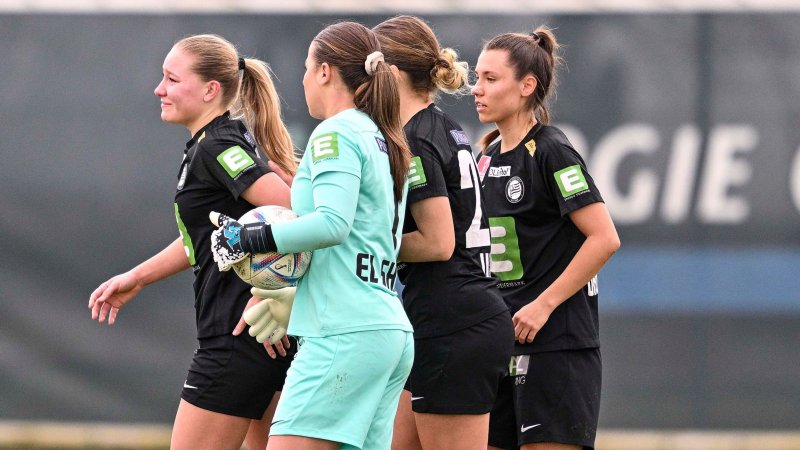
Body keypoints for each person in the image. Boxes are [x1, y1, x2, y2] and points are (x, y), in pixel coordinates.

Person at [209, 21, 415, 450]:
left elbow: (332, 225)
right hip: (386, 331)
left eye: (306, 67)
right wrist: (297, 298)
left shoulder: (337, 132)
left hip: (344, 334)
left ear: (325, 72)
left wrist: (249, 240)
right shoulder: (381, 137)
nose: (302, 78)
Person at [87, 34, 298, 450]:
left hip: (240, 337)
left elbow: (297, 214)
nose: (159, 89)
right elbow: (204, 239)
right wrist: (138, 277)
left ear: (210, 90)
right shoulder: (209, 144)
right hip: (256, 336)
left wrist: (277, 292)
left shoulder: (218, 146)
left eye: (171, 79)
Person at [471, 27, 621, 450]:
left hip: (557, 346)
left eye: (490, 79)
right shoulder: (485, 158)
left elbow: (604, 238)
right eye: (477, 77)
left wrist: (543, 305)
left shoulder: (552, 150)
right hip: (501, 344)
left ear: (527, 86)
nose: (477, 89)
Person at [370, 15, 514, 450]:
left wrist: (366, 243)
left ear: (391, 75)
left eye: (368, 70)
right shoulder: (437, 125)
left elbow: (437, 242)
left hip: (456, 323)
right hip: (441, 319)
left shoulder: (417, 138)